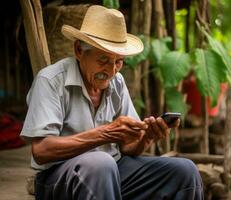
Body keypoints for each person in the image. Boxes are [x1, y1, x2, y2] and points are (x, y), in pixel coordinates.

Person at [21, 5, 204, 200]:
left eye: (119, 61)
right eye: (103, 60)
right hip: (59, 178)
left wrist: (145, 138)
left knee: (185, 172)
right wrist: (105, 133)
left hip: (112, 170)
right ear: (79, 50)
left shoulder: (116, 82)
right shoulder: (50, 80)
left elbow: (127, 148)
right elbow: (41, 150)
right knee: (101, 164)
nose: (112, 70)